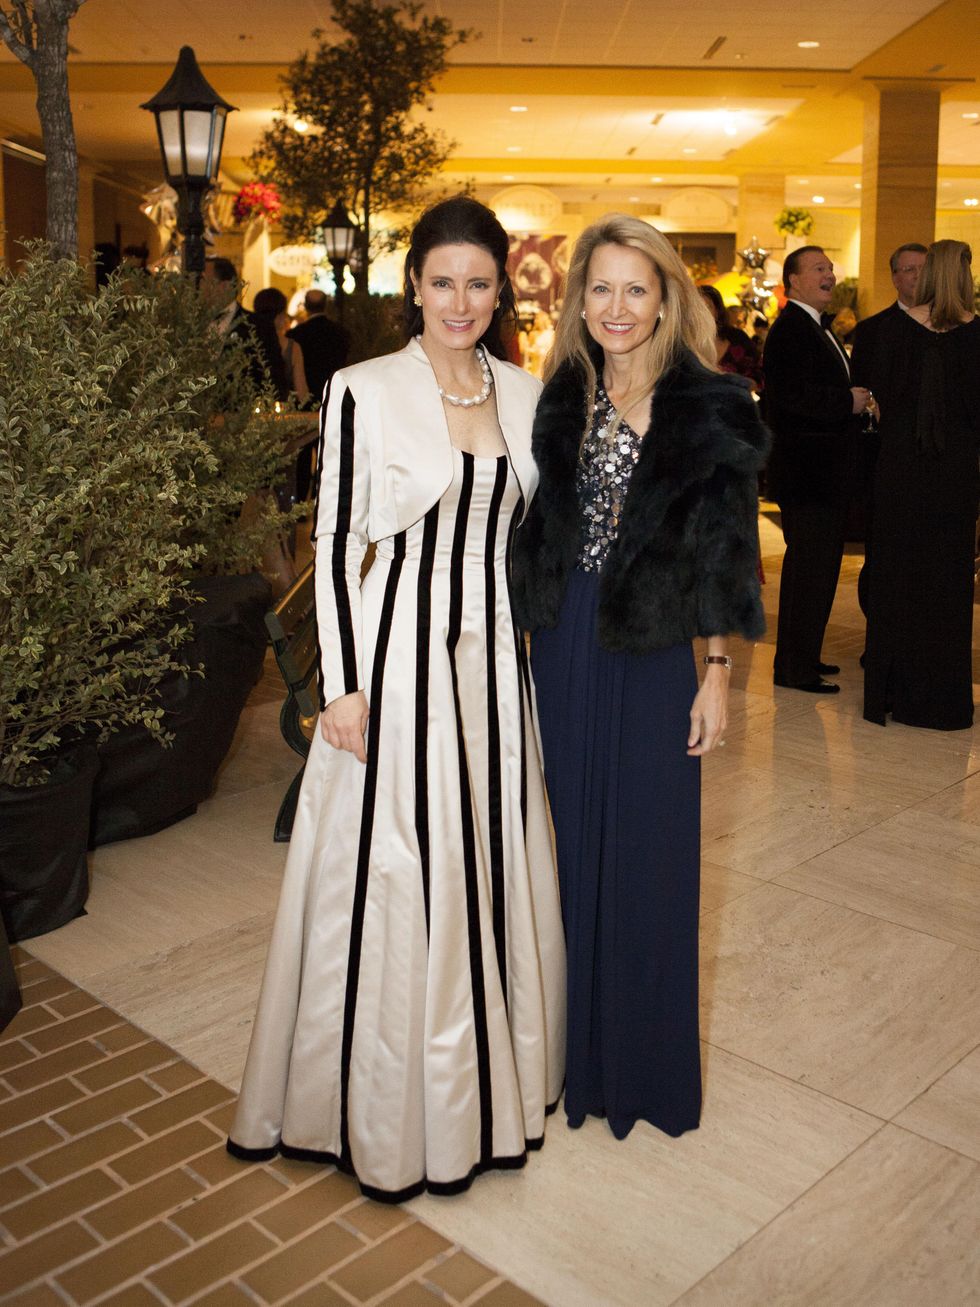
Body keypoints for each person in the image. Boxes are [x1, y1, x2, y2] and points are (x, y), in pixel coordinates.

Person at [227, 196, 565, 1202]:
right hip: (396, 653)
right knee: (397, 865)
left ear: (500, 291)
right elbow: (335, 540)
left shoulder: (527, 391)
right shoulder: (361, 389)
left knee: (487, 850)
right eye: (441, 281)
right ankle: (381, 1103)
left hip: (492, 658)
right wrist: (341, 685)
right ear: (413, 285)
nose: (459, 301)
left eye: (478, 283)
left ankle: (485, 1082)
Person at [511, 215, 768, 1141]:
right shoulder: (558, 392)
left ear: (665, 299)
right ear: (579, 298)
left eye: (635, 289)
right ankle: (575, 1063)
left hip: (657, 650)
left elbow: (726, 554)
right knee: (572, 846)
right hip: (564, 642)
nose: (616, 308)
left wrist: (716, 670)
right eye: (601, 288)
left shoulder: (712, 402)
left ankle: (646, 1072)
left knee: (652, 855)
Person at [863, 239, 980, 730]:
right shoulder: (977, 336)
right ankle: (942, 701)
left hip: (899, 472)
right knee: (948, 584)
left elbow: (876, 401)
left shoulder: (886, 331)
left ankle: (890, 694)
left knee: (895, 578)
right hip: (955, 477)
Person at [763, 245, 871, 693]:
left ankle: (803, 657)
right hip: (808, 476)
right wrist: (847, 401)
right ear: (794, 281)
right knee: (809, 572)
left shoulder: (814, 326)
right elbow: (791, 399)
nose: (830, 275)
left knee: (819, 571)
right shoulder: (791, 329)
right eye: (819, 268)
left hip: (824, 475)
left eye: (830, 268)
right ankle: (794, 668)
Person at [850, 242, 928, 617]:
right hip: (885, 457)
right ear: (895, 278)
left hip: (931, 461)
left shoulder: (952, 328)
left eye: (924, 269)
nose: (917, 277)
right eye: (909, 269)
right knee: (884, 549)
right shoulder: (873, 330)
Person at [287, 289, 350, 502]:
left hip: (304, 401)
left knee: (303, 454)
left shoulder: (297, 334)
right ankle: (325, 500)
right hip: (333, 397)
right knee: (330, 454)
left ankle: (300, 501)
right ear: (326, 305)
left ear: (306, 306)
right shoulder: (341, 333)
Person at [698, 283, 763, 390]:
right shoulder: (685, 344)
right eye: (697, 308)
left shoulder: (736, 338)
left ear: (717, 312)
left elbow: (760, 373)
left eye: (707, 307)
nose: (701, 313)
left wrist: (741, 387)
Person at [252, 287, 309, 404]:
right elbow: (302, 393)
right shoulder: (292, 347)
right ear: (281, 314)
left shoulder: (249, 342)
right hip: (281, 408)